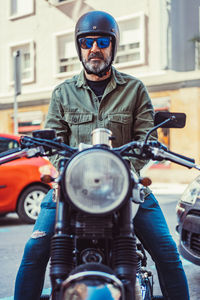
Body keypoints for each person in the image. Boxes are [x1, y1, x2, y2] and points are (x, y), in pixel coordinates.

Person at [14, 10, 190, 300]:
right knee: (34, 250)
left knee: (167, 250)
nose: (94, 48)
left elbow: (146, 137)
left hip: (125, 184)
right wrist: (64, 173)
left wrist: (125, 172)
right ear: (79, 47)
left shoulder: (134, 89)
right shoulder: (63, 93)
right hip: (72, 186)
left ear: (113, 46)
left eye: (102, 41)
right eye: (87, 42)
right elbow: (55, 140)